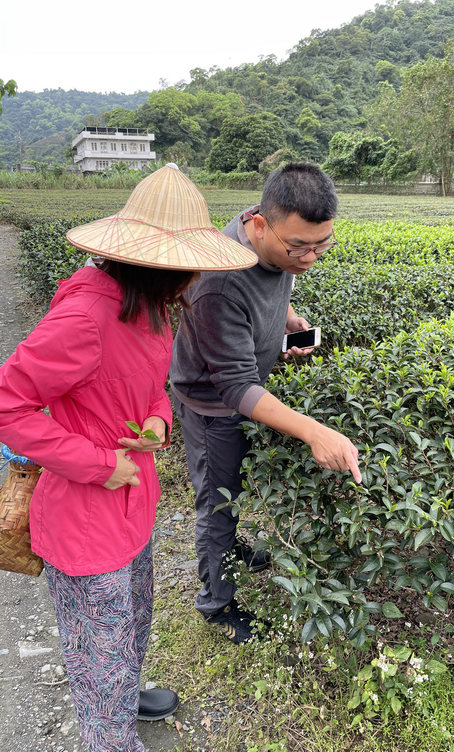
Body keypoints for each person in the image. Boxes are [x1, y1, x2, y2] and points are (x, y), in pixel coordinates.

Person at [0, 163, 257, 752]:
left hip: (131, 500)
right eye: (190, 265)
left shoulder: (152, 309)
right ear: (155, 264)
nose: (197, 277)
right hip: (84, 513)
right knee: (98, 648)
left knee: (130, 621)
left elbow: (146, 388)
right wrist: (97, 463)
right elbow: (8, 405)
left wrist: (158, 421)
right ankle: (108, 737)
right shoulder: (83, 319)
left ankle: (123, 695)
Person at [170, 162, 362, 644]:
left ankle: (233, 546)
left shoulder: (273, 242)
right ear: (259, 225)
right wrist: (314, 430)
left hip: (246, 384)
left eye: (322, 244)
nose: (310, 257)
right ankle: (216, 603)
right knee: (217, 503)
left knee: (230, 494)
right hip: (213, 404)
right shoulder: (218, 278)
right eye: (298, 246)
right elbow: (234, 386)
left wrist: (286, 324)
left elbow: (274, 283)